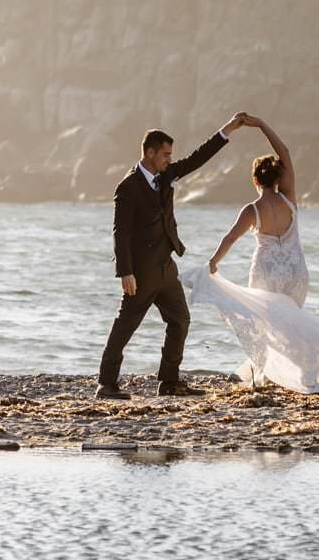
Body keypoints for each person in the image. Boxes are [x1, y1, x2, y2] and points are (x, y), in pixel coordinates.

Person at [187, 114, 319, 393]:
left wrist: (213, 263)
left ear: (255, 180)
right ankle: (303, 369)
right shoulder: (289, 198)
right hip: (295, 271)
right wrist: (261, 125)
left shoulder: (252, 210)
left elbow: (231, 237)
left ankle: (263, 373)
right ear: (277, 177)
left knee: (265, 325)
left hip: (267, 270)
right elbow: (285, 152)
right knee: (293, 323)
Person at [95, 113, 247, 400]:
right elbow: (121, 233)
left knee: (180, 320)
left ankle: (169, 382)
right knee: (125, 326)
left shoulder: (165, 175)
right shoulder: (127, 188)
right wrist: (125, 272)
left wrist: (227, 130)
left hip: (166, 267)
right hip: (140, 272)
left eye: (170, 155)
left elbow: (196, 159)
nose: (168, 159)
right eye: (164, 154)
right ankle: (106, 383)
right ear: (149, 153)